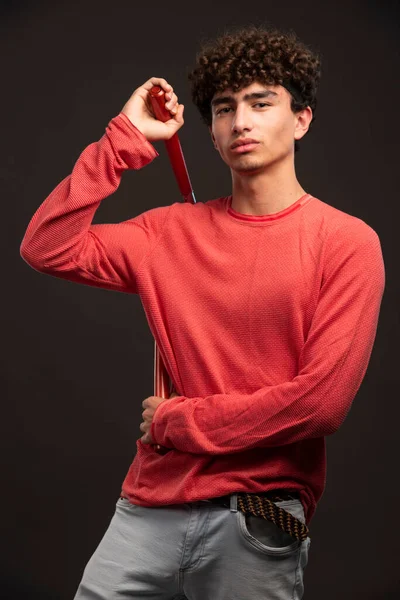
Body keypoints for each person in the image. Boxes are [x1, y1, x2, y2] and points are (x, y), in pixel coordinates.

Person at [20, 24, 385, 600]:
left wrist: (180, 423)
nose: (240, 121)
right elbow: (47, 246)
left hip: (259, 514)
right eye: (223, 109)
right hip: (149, 507)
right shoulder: (166, 233)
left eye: (261, 103)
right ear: (212, 134)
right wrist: (124, 139)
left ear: (301, 119)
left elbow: (321, 404)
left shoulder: (346, 242)